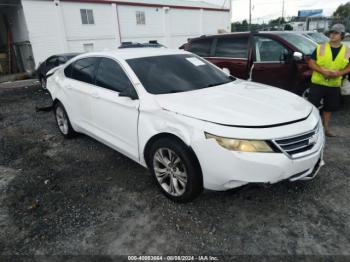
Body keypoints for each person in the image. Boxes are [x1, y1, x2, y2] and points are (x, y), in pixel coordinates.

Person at [308, 24, 350, 137]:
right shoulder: (321, 47)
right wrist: (323, 71)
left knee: (328, 108)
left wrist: (340, 73)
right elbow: (311, 63)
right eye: (331, 32)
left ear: (342, 35)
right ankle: (310, 128)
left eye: (335, 33)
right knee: (312, 106)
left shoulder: (347, 50)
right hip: (318, 83)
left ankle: (325, 127)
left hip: (334, 85)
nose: (332, 35)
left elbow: (349, 67)